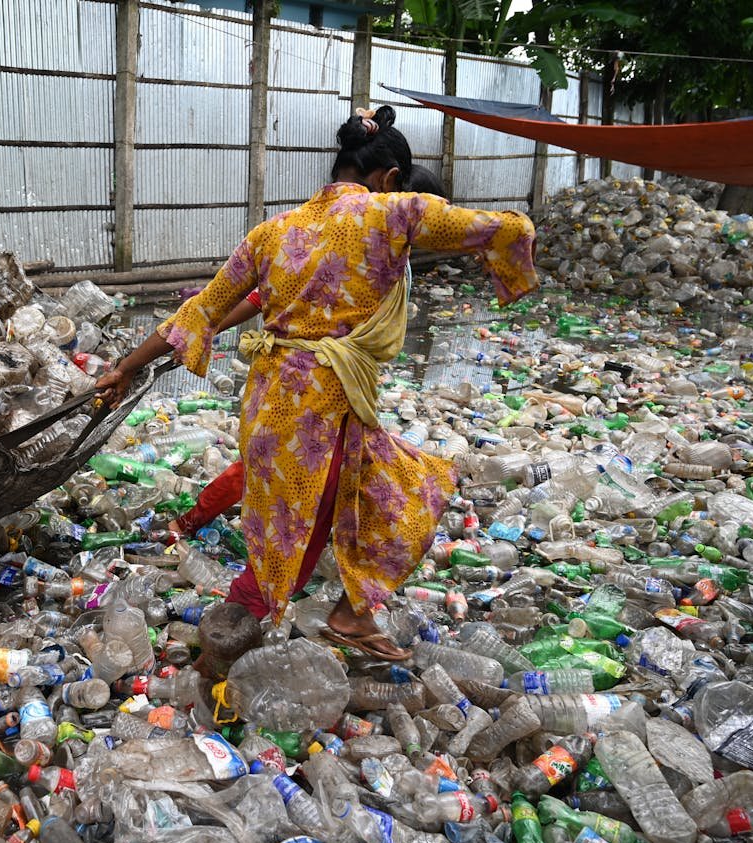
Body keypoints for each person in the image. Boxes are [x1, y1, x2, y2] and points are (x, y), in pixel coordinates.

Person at [96, 106, 538, 659]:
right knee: (320, 528)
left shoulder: (273, 232)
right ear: (390, 178)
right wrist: (515, 268)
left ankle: (343, 616)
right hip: (321, 409)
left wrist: (127, 366)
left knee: (317, 516)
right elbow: (504, 226)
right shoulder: (393, 213)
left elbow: (199, 312)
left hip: (271, 403)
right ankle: (222, 655)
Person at [169, 164, 449, 540]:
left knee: (334, 467)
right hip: (309, 381)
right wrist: (205, 329)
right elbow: (260, 296)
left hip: (346, 384)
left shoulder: (391, 254)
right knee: (269, 465)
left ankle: (335, 550)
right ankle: (205, 532)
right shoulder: (360, 241)